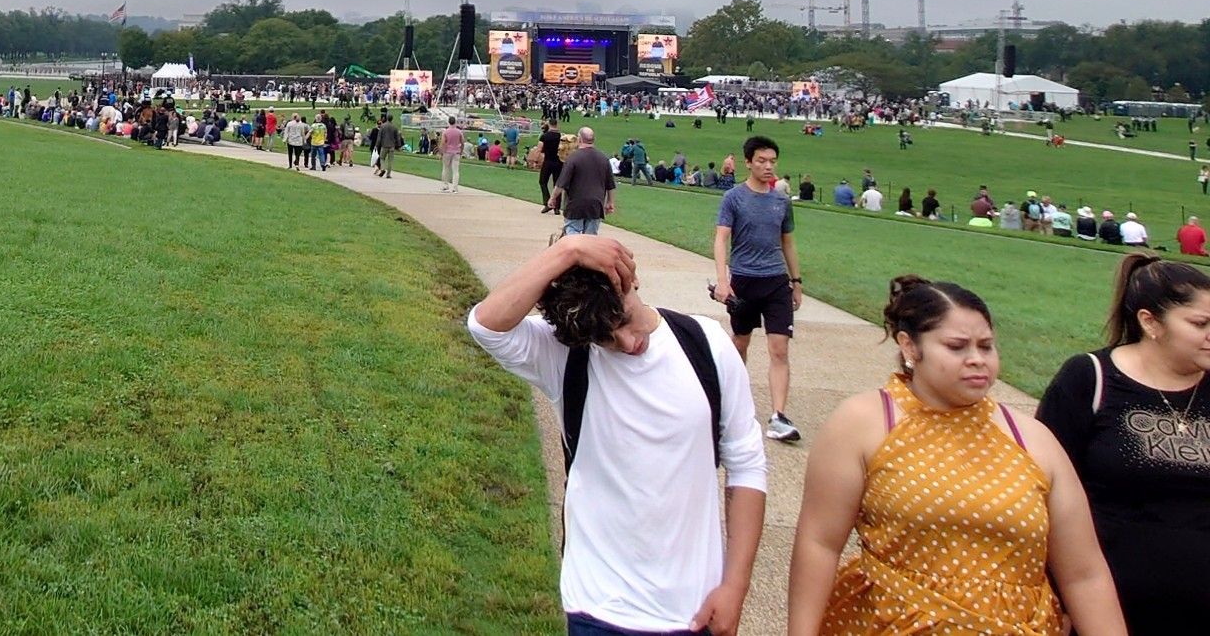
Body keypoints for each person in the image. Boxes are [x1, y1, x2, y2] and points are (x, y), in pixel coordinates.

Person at [787, 276, 1127, 636]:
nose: (977, 360)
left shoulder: (1032, 440)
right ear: (910, 346)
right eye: (957, 347)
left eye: (986, 346)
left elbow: (1084, 573)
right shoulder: (864, 424)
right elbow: (819, 544)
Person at [470, 234, 767, 636]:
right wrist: (568, 250)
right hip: (597, 609)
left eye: (623, 320)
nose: (628, 344)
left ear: (631, 280)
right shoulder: (566, 356)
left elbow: (747, 465)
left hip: (694, 610)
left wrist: (736, 587)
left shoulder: (706, 345)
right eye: (606, 338)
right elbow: (486, 325)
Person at [1037, 255, 1210, 636]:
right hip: (1106, 611)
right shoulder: (1090, 379)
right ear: (1150, 322)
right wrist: (1054, 598)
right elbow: (1037, 494)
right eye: (1200, 324)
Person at [713, 135, 803, 443]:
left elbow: (788, 242)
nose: (767, 166)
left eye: (772, 161)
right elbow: (721, 239)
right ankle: (732, 406)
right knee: (740, 345)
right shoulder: (734, 198)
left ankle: (778, 416)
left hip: (776, 281)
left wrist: (797, 281)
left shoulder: (781, 200)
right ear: (748, 162)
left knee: (780, 349)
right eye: (761, 161)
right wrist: (723, 281)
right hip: (744, 280)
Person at [558, 127, 615, 236]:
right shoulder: (603, 158)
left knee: (572, 231)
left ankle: (574, 251)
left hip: (576, 204)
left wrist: (552, 198)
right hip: (596, 204)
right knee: (590, 237)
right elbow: (610, 185)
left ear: (579, 139)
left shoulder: (573, 158)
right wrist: (610, 202)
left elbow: (562, 183)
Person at [538, 119, 565, 210]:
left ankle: (547, 202)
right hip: (559, 162)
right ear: (557, 124)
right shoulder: (561, 137)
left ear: (549, 125)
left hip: (548, 161)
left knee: (543, 181)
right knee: (557, 184)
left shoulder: (544, 136)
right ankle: (557, 207)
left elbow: (539, 149)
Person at [438, 115, 465, 192]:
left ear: (448, 122)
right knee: (455, 170)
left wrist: (441, 153)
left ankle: (445, 185)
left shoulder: (445, 132)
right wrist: (461, 151)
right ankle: (455, 187)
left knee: (446, 169)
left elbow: (443, 143)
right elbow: (462, 142)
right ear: (455, 122)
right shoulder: (459, 132)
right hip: (456, 152)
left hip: (447, 152)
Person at [373, 114, 401, 179]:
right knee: (390, 160)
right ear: (392, 119)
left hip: (384, 145)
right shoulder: (394, 127)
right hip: (391, 146)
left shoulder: (382, 126)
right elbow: (397, 138)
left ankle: (383, 168)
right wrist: (399, 146)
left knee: (382, 158)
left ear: (387, 118)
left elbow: (379, 137)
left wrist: (377, 145)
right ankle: (388, 174)